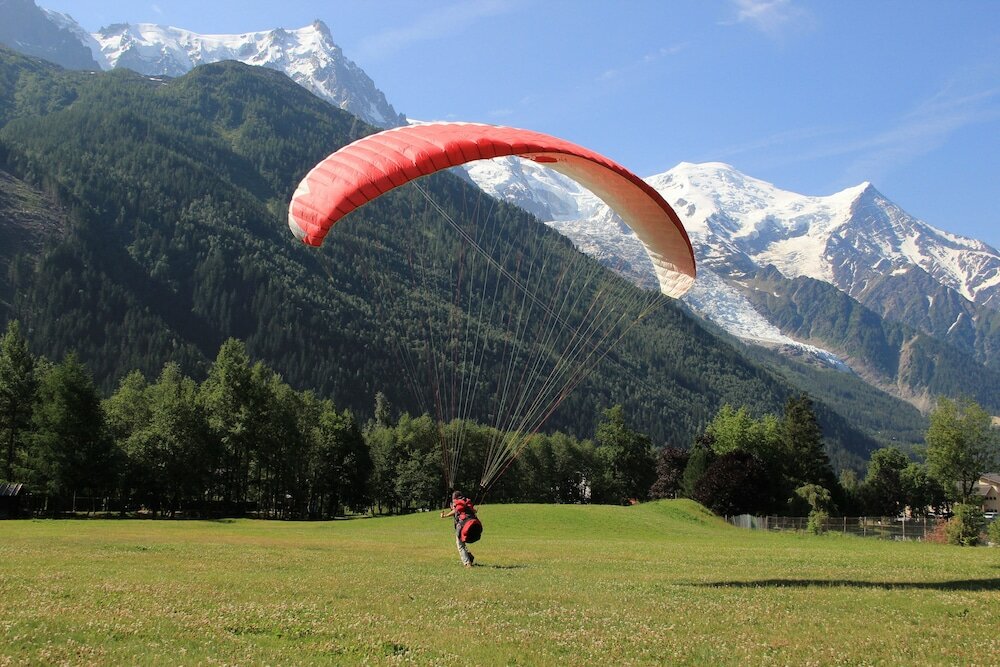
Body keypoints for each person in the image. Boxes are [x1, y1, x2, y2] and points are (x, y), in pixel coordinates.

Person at [440, 490, 477, 567]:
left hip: (461, 526)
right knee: (462, 543)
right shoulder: (466, 502)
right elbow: (474, 510)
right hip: (470, 524)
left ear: (454, 497)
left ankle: (467, 563)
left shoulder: (457, 503)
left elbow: (455, 511)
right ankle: (470, 557)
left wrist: (445, 516)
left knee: (460, 545)